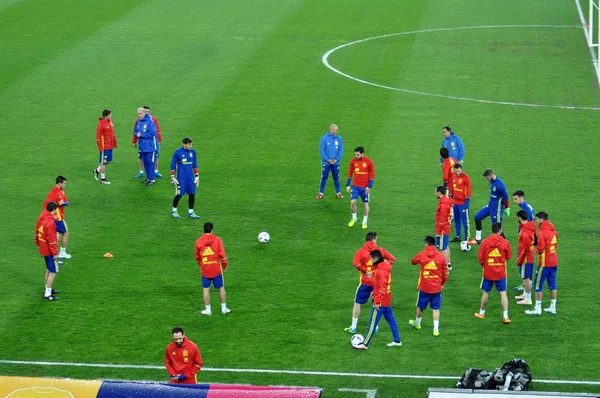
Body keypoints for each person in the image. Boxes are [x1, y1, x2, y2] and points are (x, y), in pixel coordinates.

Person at [345, 232, 396, 333]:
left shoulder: (361, 252)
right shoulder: (380, 251)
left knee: (357, 303)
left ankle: (354, 326)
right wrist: (384, 266)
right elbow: (392, 259)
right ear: (373, 239)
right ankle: (375, 327)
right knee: (376, 304)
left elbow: (356, 263)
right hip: (377, 283)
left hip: (365, 282)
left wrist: (365, 271)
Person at [353, 250, 401, 350]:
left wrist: (377, 301)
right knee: (390, 319)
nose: (370, 261)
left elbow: (382, 287)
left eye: (371, 259)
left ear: (376, 258)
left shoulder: (381, 270)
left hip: (381, 300)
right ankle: (397, 340)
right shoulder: (385, 264)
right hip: (387, 297)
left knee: (372, 322)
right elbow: (379, 283)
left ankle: (365, 344)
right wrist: (374, 292)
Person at [409, 236, 448, 336]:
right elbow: (445, 273)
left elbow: (413, 261)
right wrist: (442, 283)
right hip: (436, 288)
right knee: (436, 308)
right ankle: (435, 329)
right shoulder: (440, 257)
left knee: (420, 306)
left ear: (426, 244)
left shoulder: (422, 255)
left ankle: (417, 324)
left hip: (424, 287)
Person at [474, 223, 512, 324]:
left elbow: (480, 258)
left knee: (486, 293)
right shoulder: (505, 242)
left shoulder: (485, 242)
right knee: (503, 294)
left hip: (488, 272)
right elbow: (508, 257)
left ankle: (481, 313)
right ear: (500, 230)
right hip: (501, 272)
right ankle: (505, 316)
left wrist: (486, 265)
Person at [526, 211, 559, 315]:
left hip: (545, 263)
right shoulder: (553, 230)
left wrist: (536, 250)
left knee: (538, 285)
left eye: (537, 219)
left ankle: (537, 309)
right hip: (554, 261)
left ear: (541, 219)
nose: (536, 221)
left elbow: (540, 248)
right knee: (552, 285)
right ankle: (553, 308)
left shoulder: (542, 232)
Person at [195, 222, 230, 315]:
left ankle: (208, 310)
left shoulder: (198, 241)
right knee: (221, 288)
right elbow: (222, 255)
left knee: (206, 289)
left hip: (205, 270)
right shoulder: (217, 240)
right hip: (216, 269)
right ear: (212, 230)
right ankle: (224, 309)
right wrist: (225, 265)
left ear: (204, 230)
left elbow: (197, 257)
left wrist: (202, 264)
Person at [473, 169, 509, 244]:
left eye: (487, 178)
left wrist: (506, 208)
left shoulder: (500, 185)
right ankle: (478, 238)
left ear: (492, 175)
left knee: (497, 227)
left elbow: (506, 198)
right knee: (477, 217)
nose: (487, 180)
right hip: (490, 206)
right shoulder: (492, 182)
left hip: (497, 209)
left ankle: (505, 243)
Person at [34, 202, 60, 301]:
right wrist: (55, 253)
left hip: (44, 248)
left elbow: (37, 234)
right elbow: (52, 240)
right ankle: (47, 294)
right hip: (49, 250)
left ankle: (48, 289)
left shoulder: (42, 219)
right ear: (53, 210)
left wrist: (39, 244)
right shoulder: (50, 223)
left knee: (49, 269)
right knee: (54, 271)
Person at [170, 137, 200, 219]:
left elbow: (195, 164)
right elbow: (173, 164)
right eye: (189, 145)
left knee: (192, 194)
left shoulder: (193, 152)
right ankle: (174, 211)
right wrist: (172, 177)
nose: (190, 146)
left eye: (191, 144)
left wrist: (197, 176)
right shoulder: (178, 152)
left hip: (190, 178)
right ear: (184, 144)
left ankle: (191, 212)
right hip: (181, 178)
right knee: (179, 194)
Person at [346, 146, 375, 229]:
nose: (356, 156)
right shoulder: (353, 161)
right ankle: (354, 218)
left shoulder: (369, 162)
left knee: (365, 204)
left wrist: (369, 187)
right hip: (355, 186)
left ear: (362, 154)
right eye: (356, 154)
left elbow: (372, 175)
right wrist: (348, 185)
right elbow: (350, 173)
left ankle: (364, 221)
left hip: (365, 188)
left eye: (358, 155)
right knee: (352, 202)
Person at [511, 190, 535, 291]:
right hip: (528, 238)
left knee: (524, 261)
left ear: (522, 198)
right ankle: (527, 284)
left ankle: (526, 285)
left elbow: (528, 225)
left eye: (516, 199)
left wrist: (522, 235)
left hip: (525, 239)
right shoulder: (527, 207)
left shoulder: (525, 210)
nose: (515, 201)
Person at [42, 176, 71, 259]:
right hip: (57, 218)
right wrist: (65, 203)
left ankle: (50, 251)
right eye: (64, 183)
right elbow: (63, 203)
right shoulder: (57, 193)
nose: (65, 185)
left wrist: (65, 202)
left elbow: (66, 200)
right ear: (59, 183)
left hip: (53, 216)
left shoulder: (59, 190)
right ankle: (62, 253)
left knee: (56, 235)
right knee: (66, 234)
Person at [133, 106, 163, 179]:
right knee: (143, 159)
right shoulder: (138, 121)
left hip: (152, 144)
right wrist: (135, 139)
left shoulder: (152, 120)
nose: (139, 115)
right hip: (142, 145)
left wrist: (159, 139)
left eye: (147, 111)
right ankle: (143, 173)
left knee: (154, 158)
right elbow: (135, 131)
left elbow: (156, 131)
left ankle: (155, 172)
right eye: (138, 114)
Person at [514, 210, 536, 306]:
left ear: (519, 217)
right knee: (526, 277)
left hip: (526, 258)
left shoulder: (525, 231)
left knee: (525, 278)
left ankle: (528, 299)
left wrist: (520, 259)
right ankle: (525, 294)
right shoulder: (528, 226)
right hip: (529, 257)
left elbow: (526, 248)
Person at [317, 124, 344, 199]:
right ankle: (321, 193)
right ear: (331, 130)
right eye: (336, 130)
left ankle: (338, 193)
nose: (337, 131)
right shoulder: (324, 139)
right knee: (324, 177)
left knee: (336, 177)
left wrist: (336, 159)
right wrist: (327, 159)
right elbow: (321, 150)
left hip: (336, 163)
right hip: (326, 163)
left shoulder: (339, 138)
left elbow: (341, 150)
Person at [448, 164, 472, 242]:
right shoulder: (453, 176)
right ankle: (458, 236)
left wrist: (466, 203)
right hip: (455, 203)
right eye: (456, 171)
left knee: (465, 221)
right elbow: (451, 188)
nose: (457, 172)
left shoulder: (466, 178)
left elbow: (468, 191)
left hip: (463, 203)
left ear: (461, 169)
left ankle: (467, 237)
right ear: (454, 170)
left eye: (459, 171)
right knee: (457, 220)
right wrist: (451, 198)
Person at [94, 109, 117, 184]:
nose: (111, 116)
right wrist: (100, 147)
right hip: (104, 147)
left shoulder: (110, 122)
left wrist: (114, 143)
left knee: (109, 161)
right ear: (105, 116)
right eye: (109, 115)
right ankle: (102, 179)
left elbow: (112, 134)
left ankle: (97, 170)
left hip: (110, 145)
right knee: (103, 163)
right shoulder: (101, 124)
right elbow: (98, 137)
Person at [435, 185, 453, 270]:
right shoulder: (447, 199)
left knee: (442, 248)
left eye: (436, 192)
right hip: (447, 227)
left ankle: (445, 268)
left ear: (439, 192)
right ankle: (448, 264)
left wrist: (438, 232)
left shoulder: (443, 204)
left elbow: (442, 219)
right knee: (446, 246)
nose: (435, 193)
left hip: (442, 229)